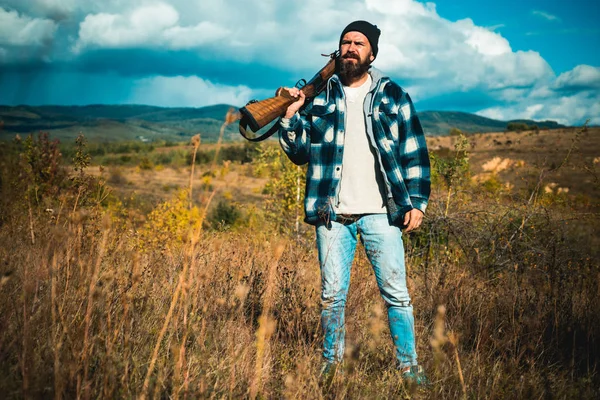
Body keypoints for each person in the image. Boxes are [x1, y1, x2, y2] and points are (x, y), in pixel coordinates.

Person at [278, 20, 431, 385]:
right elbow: (300, 153)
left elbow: (415, 152)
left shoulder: (393, 95)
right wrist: (289, 115)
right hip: (332, 214)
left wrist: (418, 203)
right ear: (337, 51)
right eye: (345, 42)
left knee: (397, 295)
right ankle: (332, 367)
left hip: (383, 213)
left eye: (358, 43)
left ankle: (409, 369)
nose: (350, 48)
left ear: (371, 53)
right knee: (332, 297)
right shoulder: (319, 96)